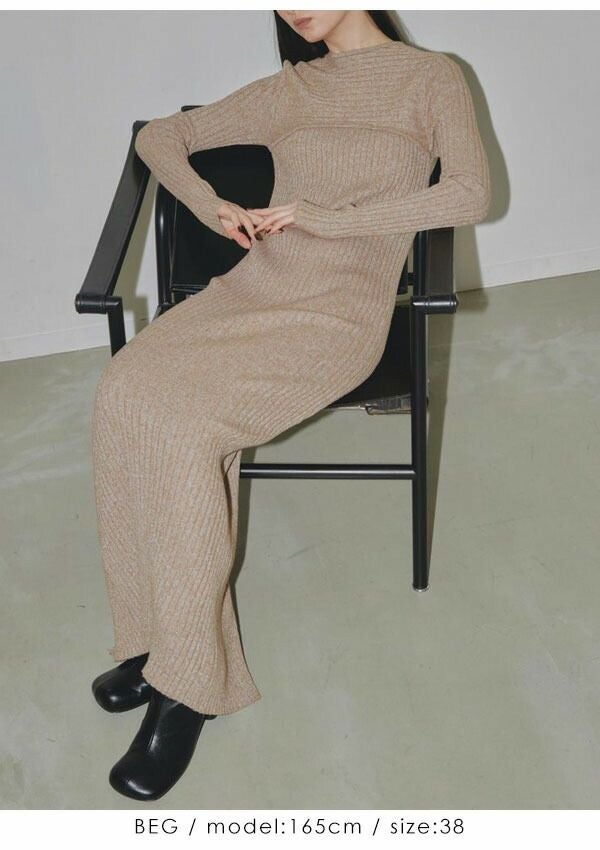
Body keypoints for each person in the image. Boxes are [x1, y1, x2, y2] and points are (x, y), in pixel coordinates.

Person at [91, 10, 491, 801]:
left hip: (338, 316)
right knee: (122, 392)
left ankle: (188, 689)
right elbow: (161, 138)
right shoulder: (291, 89)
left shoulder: (431, 78)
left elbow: (471, 194)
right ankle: (153, 641)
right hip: (253, 291)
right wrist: (210, 205)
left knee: (187, 427)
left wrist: (333, 220)